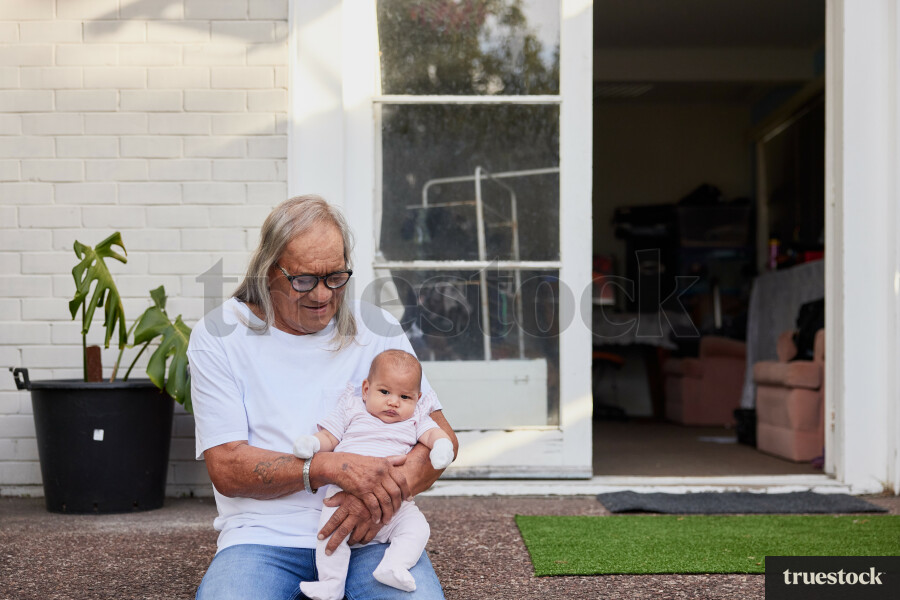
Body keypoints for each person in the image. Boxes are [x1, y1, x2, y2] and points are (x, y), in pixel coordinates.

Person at [189, 195, 458, 600]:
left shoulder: (377, 328)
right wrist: (327, 466)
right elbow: (226, 467)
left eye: (335, 277)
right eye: (304, 279)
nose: (322, 295)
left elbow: (441, 439)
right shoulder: (220, 334)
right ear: (268, 270)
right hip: (263, 537)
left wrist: (377, 498)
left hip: (372, 533)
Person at [292, 349, 455, 600]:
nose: (393, 402)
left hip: (396, 505)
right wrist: (312, 444)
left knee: (417, 528)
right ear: (366, 390)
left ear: (418, 398)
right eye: (385, 392)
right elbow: (329, 436)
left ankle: (394, 565)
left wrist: (442, 446)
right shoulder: (352, 408)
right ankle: (330, 584)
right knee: (330, 536)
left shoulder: (415, 418)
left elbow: (435, 435)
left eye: (405, 396)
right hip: (344, 496)